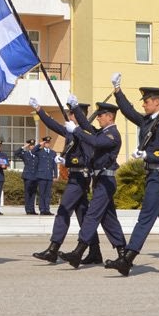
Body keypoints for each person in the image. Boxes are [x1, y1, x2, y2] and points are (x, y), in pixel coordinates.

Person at [106, 73, 159, 277]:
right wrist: (118, 90)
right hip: (153, 175)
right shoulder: (148, 122)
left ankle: (127, 259)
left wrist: (148, 154)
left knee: (145, 218)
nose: (144, 105)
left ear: (156, 102)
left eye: (146, 101)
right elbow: (129, 112)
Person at [30, 95, 103, 265]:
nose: (69, 116)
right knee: (83, 215)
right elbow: (53, 125)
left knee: (63, 211)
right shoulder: (71, 131)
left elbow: (87, 157)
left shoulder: (87, 132)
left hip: (81, 176)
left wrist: (67, 161)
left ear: (79, 115)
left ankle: (53, 249)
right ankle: (94, 251)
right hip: (75, 176)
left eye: (72, 113)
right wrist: (39, 110)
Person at [58, 100, 127, 268]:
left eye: (101, 115)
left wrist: (76, 130)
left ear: (110, 117)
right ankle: (123, 253)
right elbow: (87, 127)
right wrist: (74, 108)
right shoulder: (103, 132)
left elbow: (95, 142)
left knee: (92, 214)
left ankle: (79, 251)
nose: (98, 119)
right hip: (100, 180)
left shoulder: (112, 134)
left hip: (106, 180)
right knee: (108, 219)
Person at [34, 136, 57, 215]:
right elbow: (33, 151)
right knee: (42, 193)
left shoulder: (53, 153)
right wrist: (39, 145)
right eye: (46, 143)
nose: (47, 144)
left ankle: (47, 209)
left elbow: (54, 165)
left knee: (48, 194)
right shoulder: (39, 151)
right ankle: (42, 209)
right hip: (41, 175)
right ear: (44, 143)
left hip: (49, 175)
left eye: (48, 143)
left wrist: (55, 175)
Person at [15, 138, 39, 214]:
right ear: (29, 146)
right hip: (27, 176)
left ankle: (32, 210)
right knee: (28, 193)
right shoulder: (25, 154)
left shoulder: (37, 154)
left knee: (33, 193)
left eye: (33, 145)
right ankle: (28, 209)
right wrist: (24, 146)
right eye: (30, 145)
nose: (32, 147)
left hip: (35, 176)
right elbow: (16, 153)